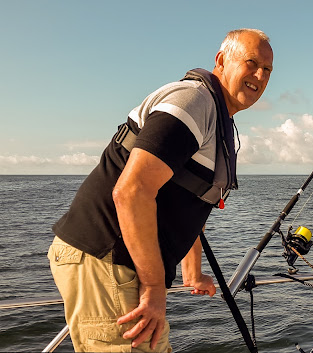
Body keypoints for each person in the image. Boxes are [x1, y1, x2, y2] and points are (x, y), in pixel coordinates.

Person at [47, 28, 274, 352]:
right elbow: (132, 190)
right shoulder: (195, 101)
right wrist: (154, 286)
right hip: (107, 258)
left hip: (115, 262)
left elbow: (189, 202)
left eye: (267, 70)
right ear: (222, 60)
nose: (259, 75)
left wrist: (192, 273)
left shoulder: (214, 116)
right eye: (251, 62)